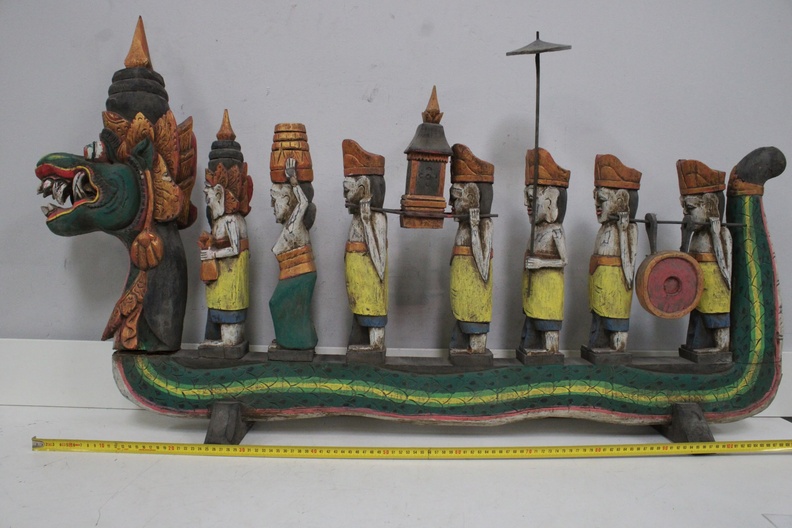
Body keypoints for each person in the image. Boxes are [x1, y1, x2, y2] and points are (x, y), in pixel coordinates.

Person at [199, 111, 252, 356]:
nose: (208, 202)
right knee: (219, 308)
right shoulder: (222, 220)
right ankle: (221, 341)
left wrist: (213, 253)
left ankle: (228, 343)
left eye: (210, 197)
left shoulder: (231, 220)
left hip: (231, 277)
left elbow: (234, 248)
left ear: (220, 193)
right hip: (222, 278)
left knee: (229, 313)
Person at [585, 154, 641, 360]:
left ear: (621, 200)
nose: (597, 206)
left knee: (615, 319)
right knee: (599, 317)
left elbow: (629, 262)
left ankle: (617, 347)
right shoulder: (604, 228)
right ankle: (599, 343)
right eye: (595, 200)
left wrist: (624, 229)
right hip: (599, 282)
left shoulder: (629, 229)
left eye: (601, 200)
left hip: (616, 284)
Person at [518, 148, 569, 363]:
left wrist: (540, 263)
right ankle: (534, 347)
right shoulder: (536, 230)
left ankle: (549, 349)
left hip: (549, 284)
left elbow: (564, 260)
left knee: (548, 322)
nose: (526, 204)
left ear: (549, 201)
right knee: (533, 316)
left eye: (531, 198)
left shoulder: (555, 230)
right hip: (534, 285)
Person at [677, 159, 731, 357]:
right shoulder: (696, 234)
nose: (686, 214)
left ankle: (721, 346)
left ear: (709, 205)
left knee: (715, 315)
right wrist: (685, 234)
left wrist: (716, 233)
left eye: (690, 209)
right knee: (698, 313)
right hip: (698, 283)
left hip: (716, 285)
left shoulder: (722, 233)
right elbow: (684, 257)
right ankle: (697, 344)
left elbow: (725, 264)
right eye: (684, 209)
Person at [448, 144, 494, 365]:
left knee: (474, 323)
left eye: (456, 197)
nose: (451, 203)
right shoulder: (462, 226)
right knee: (462, 316)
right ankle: (465, 347)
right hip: (462, 289)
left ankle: (476, 349)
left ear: (473, 197)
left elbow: (483, 268)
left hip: (476, 292)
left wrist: (475, 228)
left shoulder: (485, 225)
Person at [341, 140, 388, 359]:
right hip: (359, 279)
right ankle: (364, 341)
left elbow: (380, 261)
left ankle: (375, 345)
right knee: (360, 308)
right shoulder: (357, 218)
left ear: (363, 188)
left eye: (347, 190)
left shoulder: (377, 219)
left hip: (371, 279)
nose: (344, 196)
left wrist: (368, 222)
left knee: (373, 309)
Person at [268, 157, 318, 357]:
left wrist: (293, 180)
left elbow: (303, 202)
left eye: (275, 200)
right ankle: (289, 340)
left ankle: (297, 341)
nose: (271, 205)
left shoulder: (295, 223)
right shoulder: (289, 224)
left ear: (288, 201)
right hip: (291, 273)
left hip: (300, 274)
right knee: (279, 304)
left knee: (279, 303)